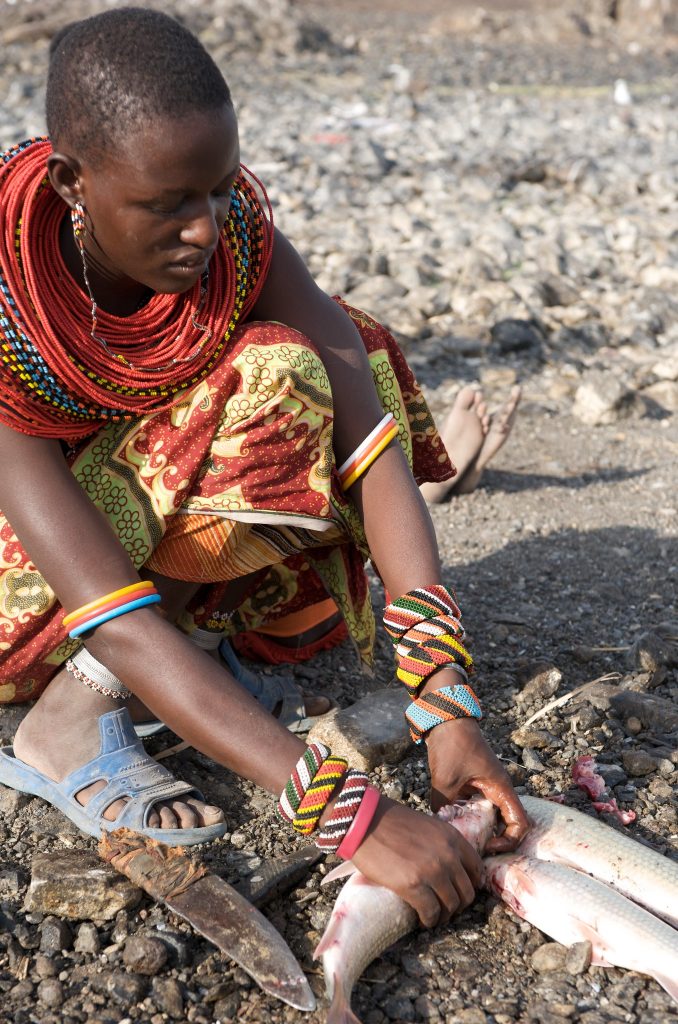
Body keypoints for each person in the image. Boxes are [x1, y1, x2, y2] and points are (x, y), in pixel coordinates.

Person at [0, 7, 528, 928]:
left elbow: (368, 444)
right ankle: (65, 720)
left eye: (217, 189)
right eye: (166, 203)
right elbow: (106, 609)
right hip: (33, 574)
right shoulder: (10, 306)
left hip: (115, 523)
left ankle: (195, 661)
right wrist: (353, 816)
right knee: (272, 379)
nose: (203, 228)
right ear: (71, 182)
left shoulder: (234, 234)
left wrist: (446, 697)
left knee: (337, 353)